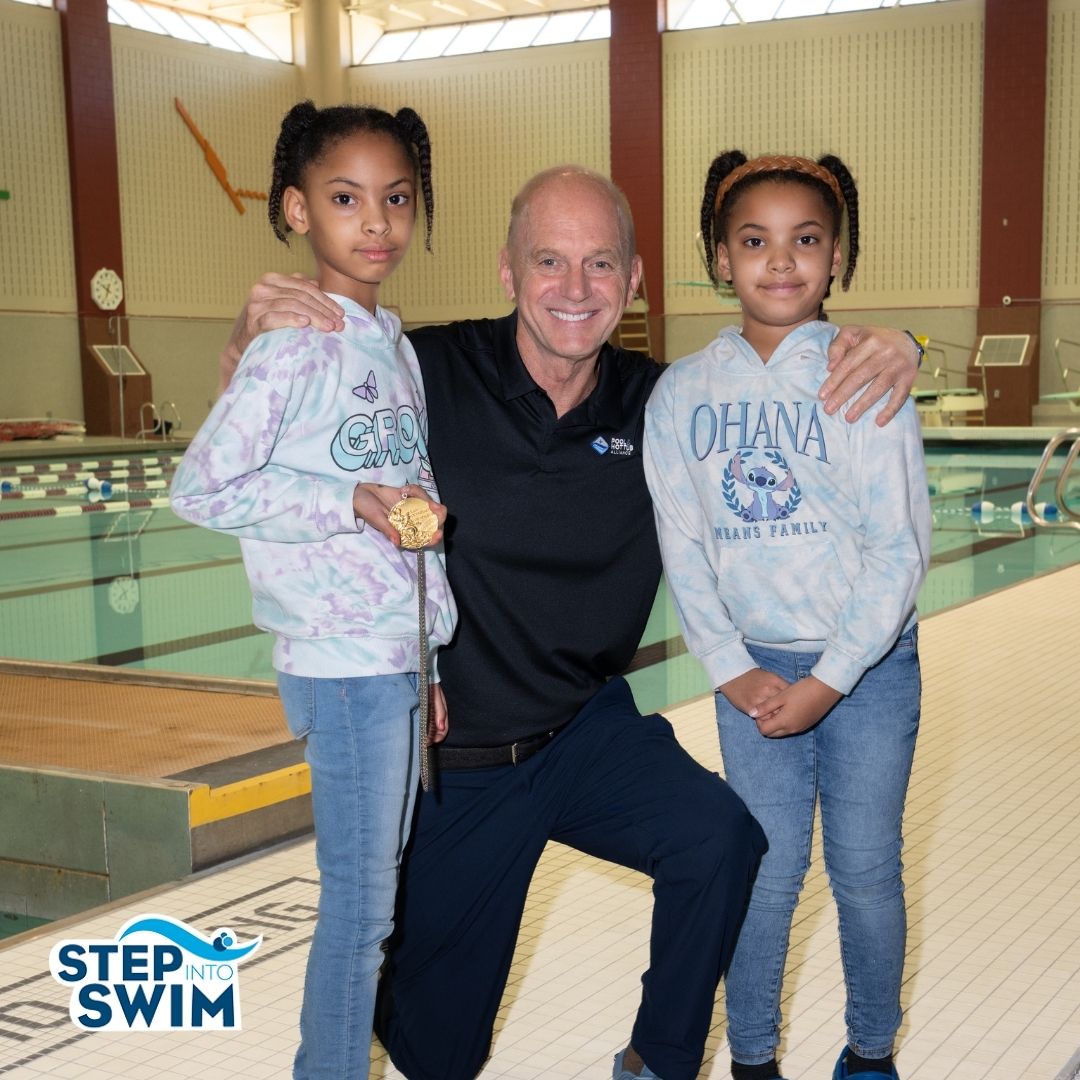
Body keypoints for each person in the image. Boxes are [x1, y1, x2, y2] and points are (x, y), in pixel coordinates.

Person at [224, 164, 924, 1080]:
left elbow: (768, 412)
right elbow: (271, 453)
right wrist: (245, 343)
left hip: (582, 732)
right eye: (549, 262)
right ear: (509, 273)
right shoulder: (422, 372)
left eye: (600, 264)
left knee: (723, 840)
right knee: (438, 1052)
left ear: (633, 282)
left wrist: (904, 343)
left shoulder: (660, 402)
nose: (575, 289)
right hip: (456, 760)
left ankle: (655, 1061)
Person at [170, 101, 457, 1080]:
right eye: (346, 198)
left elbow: (413, 509)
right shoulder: (296, 341)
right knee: (360, 909)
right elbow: (203, 483)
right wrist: (353, 502)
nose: (375, 223)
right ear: (296, 209)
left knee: (374, 902)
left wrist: (428, 654)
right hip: (339, 666)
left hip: (391, 659)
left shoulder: (393, 344)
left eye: (396, 199)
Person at [643, 151, 931, 1080]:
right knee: (762, 878)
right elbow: (681, 545)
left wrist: (831, 679)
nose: (780, 261)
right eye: (754, 241)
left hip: (869, 673)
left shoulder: (868, 377)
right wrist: (728, 665)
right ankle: (755, 1059)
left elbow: (900, 550)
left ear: (837, 257)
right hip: (752, 673)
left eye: (806, 240)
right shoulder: (682, 393)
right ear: (719, 258)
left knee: (865, 871)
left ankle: (871, 1053)